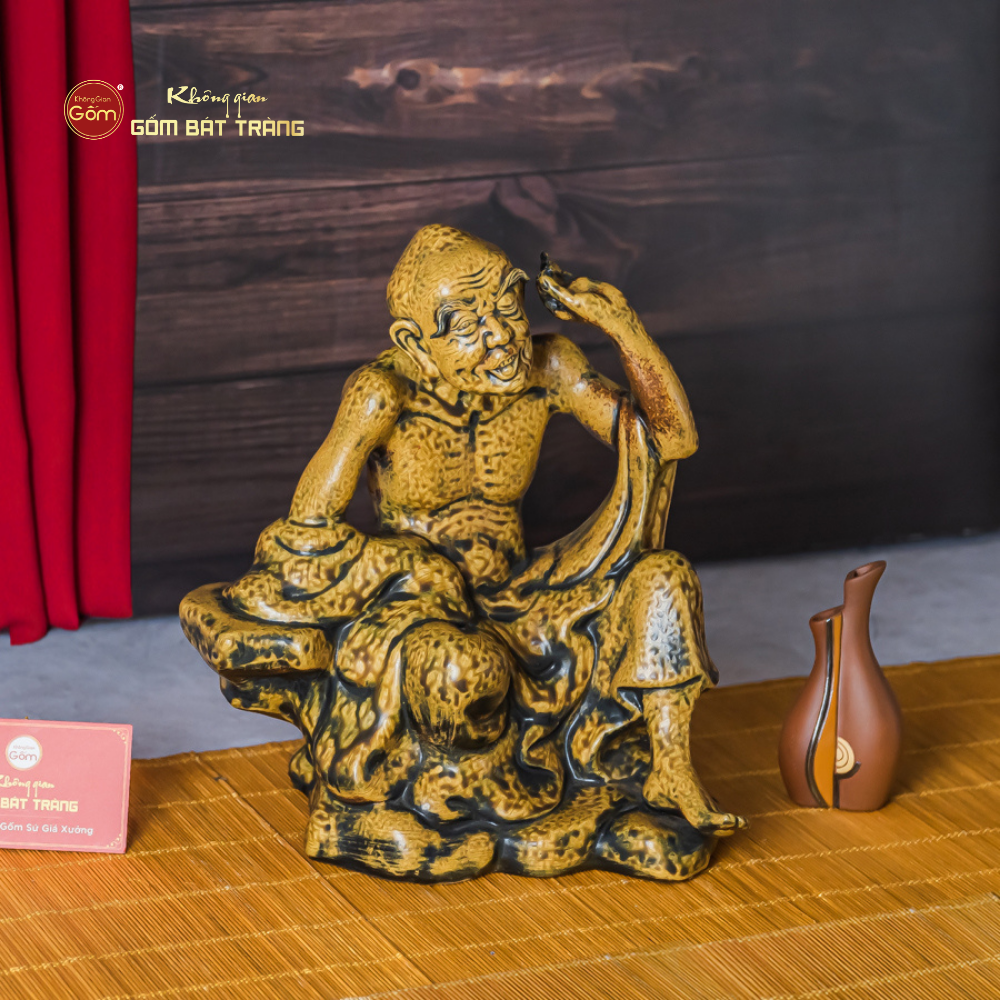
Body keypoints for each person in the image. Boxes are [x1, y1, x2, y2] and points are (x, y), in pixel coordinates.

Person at [181, 225, 745, 881]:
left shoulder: (548, 368)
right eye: (467, 325)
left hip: (523, 592)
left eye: (507, 306)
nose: (500, 336)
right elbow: (306, 527)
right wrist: (410, 567)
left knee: (663, 577)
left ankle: (669, 768)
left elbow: (670, 442)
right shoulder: (382, 394)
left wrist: (623, 327)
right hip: (423, 611)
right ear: (414, 343)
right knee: (463, 674)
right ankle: (443, 805)